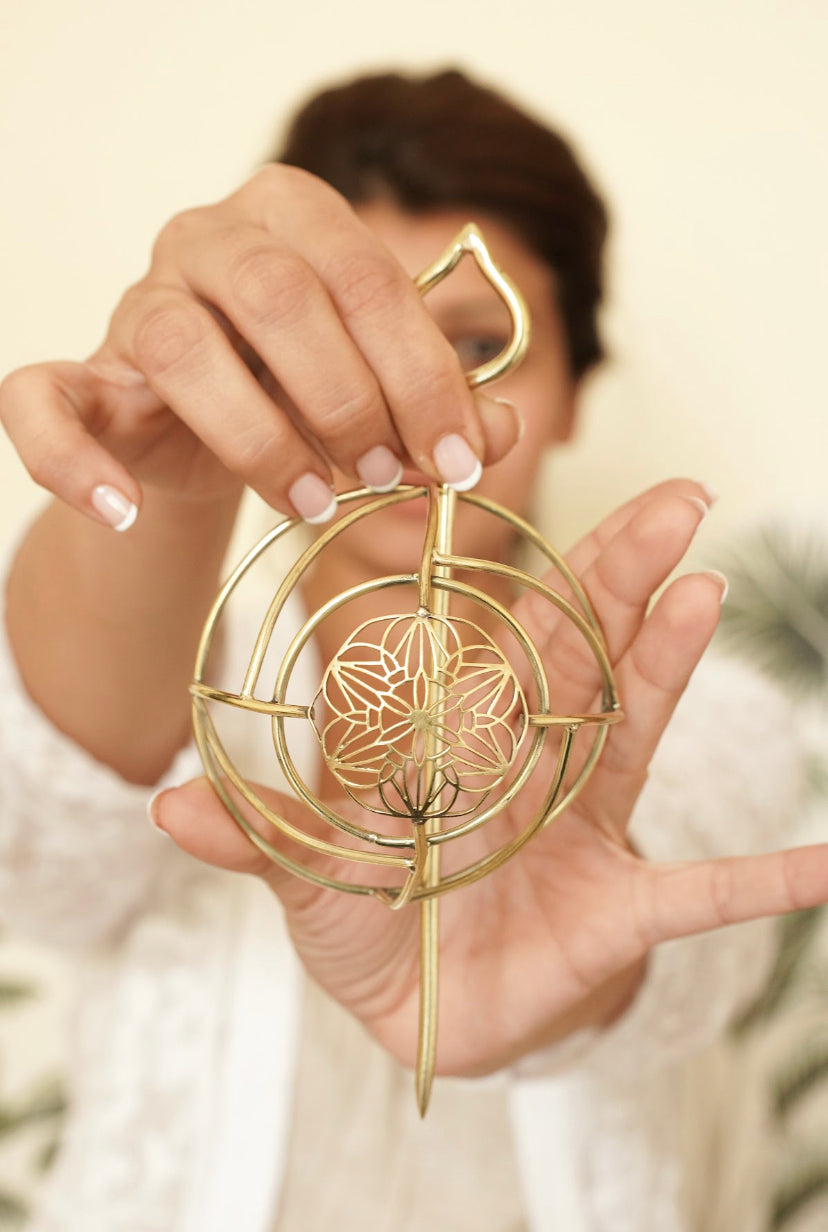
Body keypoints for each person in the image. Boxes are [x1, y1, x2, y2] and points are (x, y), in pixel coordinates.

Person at [0, 67, 823, 1232]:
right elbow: (45, 832)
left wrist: (527, 953)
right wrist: (166, 479)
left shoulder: (698, 715)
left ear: (579, 387)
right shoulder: (197, 686)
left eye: (479, 342)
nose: (404, 398)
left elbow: (661, 963)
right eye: (341, 345)